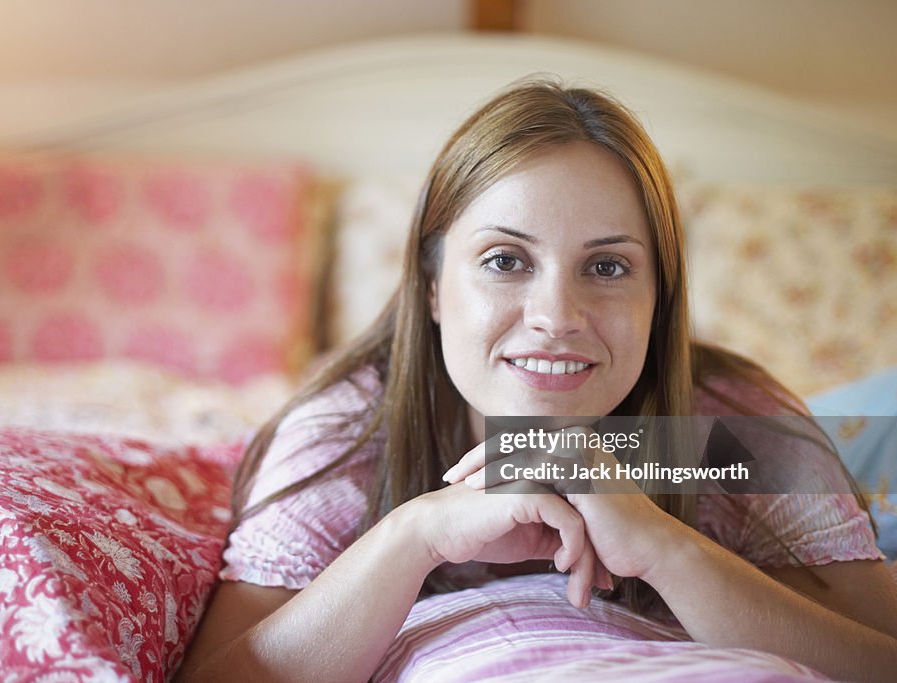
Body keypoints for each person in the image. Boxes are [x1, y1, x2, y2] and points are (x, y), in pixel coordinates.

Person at [176, 78, 897, 682]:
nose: (557, 315)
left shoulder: (731, 427)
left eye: (607, 267)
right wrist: (416, 534)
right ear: (431, 286)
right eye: (505, 260)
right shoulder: (348, 431)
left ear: (660, 298)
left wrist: (663, 547)